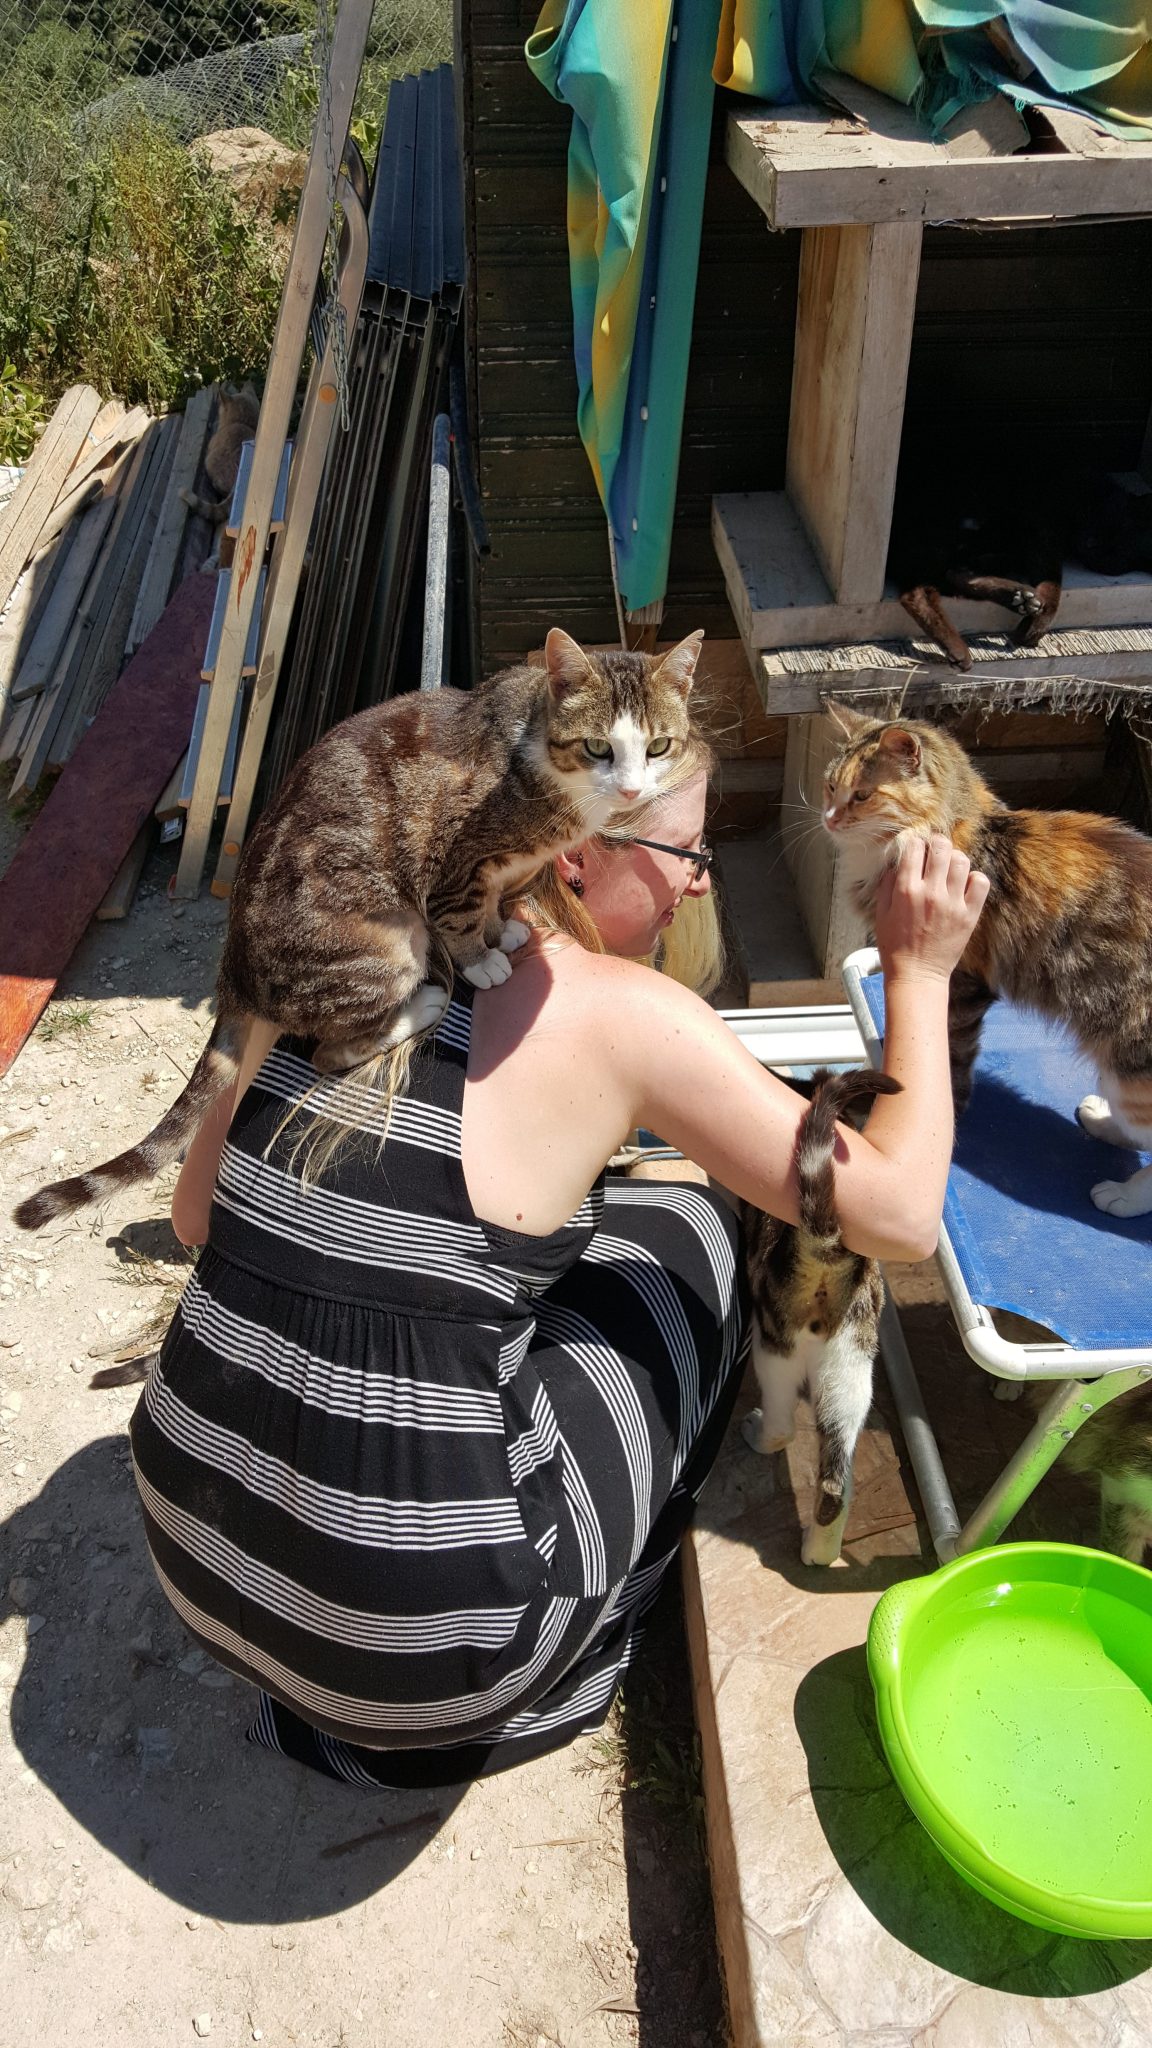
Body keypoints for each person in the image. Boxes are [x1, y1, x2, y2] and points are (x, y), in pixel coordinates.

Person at [129, 764, 988, 1788]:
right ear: (573, 854)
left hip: (193, 1554)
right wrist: (921, 967)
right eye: (689, 855)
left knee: (528, 1248)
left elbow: (192, 1215)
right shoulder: (610, 1011)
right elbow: (897, 1214)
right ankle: (541, 1658)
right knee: (693, 1222)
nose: (704, 885)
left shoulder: (321, 929)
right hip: (419, 1669)